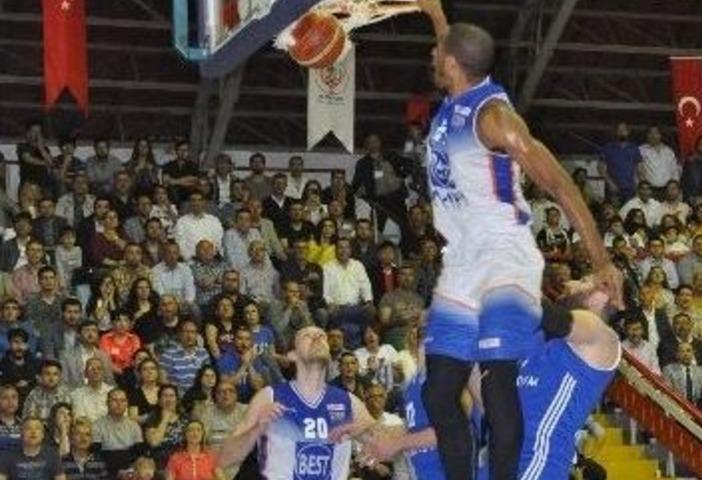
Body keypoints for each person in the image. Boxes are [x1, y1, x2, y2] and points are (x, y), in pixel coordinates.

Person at [417, 4, 622, 478]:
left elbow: (560, 186)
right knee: (438, 390)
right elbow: (454, 45)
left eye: (437, 50)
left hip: (502, 254)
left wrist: (602, 260)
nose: (432, 53)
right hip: (466, 257)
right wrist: (434, 12)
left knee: (496, 382)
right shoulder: (457, 98)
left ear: (451, 64)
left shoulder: (495, 118)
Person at [364, 283, 620, 480]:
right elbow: (485, 405)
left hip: (536, 461)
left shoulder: (598, 336)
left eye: (590, 282)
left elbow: (548, 315)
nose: (577, 281)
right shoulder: (533, 342)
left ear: (609, 298)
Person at [216, 326, 374, 479]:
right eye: (308, 336)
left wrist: (371, 439)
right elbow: (225, 458)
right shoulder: (269, 396)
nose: (317, 337)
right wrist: (256, 429)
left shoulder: (349, 401)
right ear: (293, 355)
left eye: (322, 336)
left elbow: (383, 445)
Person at [93, 387, 144, 476]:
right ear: (107, 403)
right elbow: (96, 455)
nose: (119, 404)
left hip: (130, 472)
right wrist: (116, 472)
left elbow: (139, 454)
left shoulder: (134, 426)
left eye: (122, 400)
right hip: (105, 471)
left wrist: (130, 471)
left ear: (127, 404)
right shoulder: (97, 425)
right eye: (114, 400)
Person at [0, 416, 64, 480]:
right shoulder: (8, 455)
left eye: (37, 428)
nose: (33, 431)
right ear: (21, 434)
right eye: (28, 428)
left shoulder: (52, 454)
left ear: (43, 435)